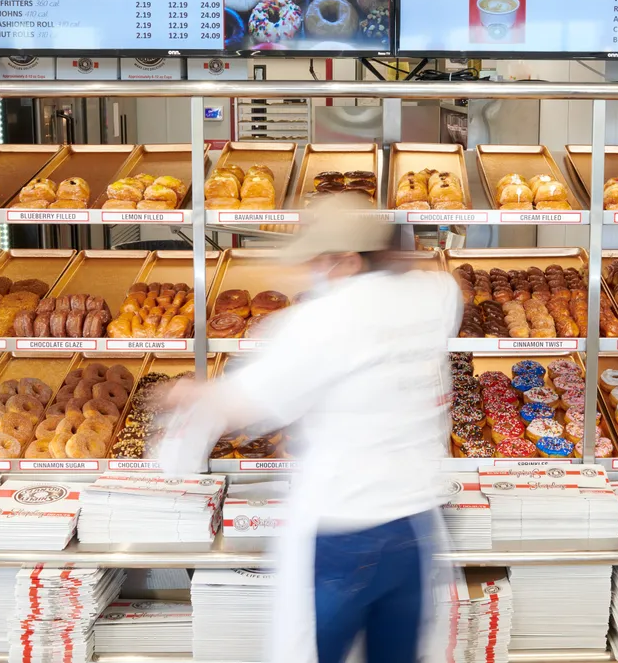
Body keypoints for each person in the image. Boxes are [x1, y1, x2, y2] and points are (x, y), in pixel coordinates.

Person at [159, 199, 463, 663]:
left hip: (345, 533)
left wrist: (188, 396)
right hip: (415, 528)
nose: (312, 271)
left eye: (320, 259)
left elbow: (246, 403)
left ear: (348, 258)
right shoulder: (431, 295)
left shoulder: (322, 322)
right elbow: (447, 288)